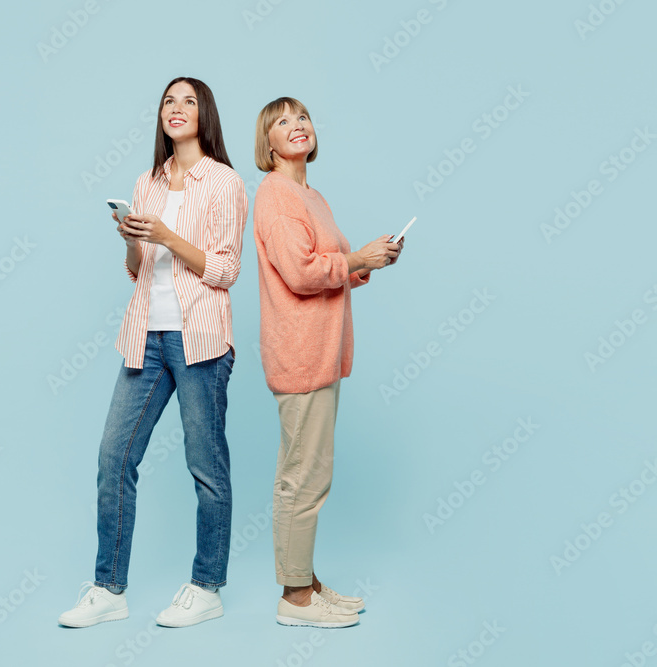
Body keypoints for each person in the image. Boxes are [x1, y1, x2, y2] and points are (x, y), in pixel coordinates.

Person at [59, 77, 247, 629]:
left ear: (204, 114)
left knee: (206, 467)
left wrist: (165, 235)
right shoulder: (148, 181)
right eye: (169, 101)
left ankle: (207, 586)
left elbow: (225, 269)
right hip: (146, 337)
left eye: (188, 101)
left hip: (201, 341)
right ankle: (108, 589)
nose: (177, 108)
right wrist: (132, 239)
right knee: (114, 459)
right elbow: (138, 272)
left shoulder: (225, 182)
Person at [252, 96, 403, 628]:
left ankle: (307, 581)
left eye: (302, 117)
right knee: (302, 475)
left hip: (323, 352)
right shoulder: (275, 197)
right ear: (267, 146)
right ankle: (295, 599)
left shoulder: (310, 195)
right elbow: (301, 272)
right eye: (282, 122)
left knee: (313, 471)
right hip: (299, 354)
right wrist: (356, 259)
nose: (297, 126)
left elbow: (340, 262)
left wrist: (372, 258)